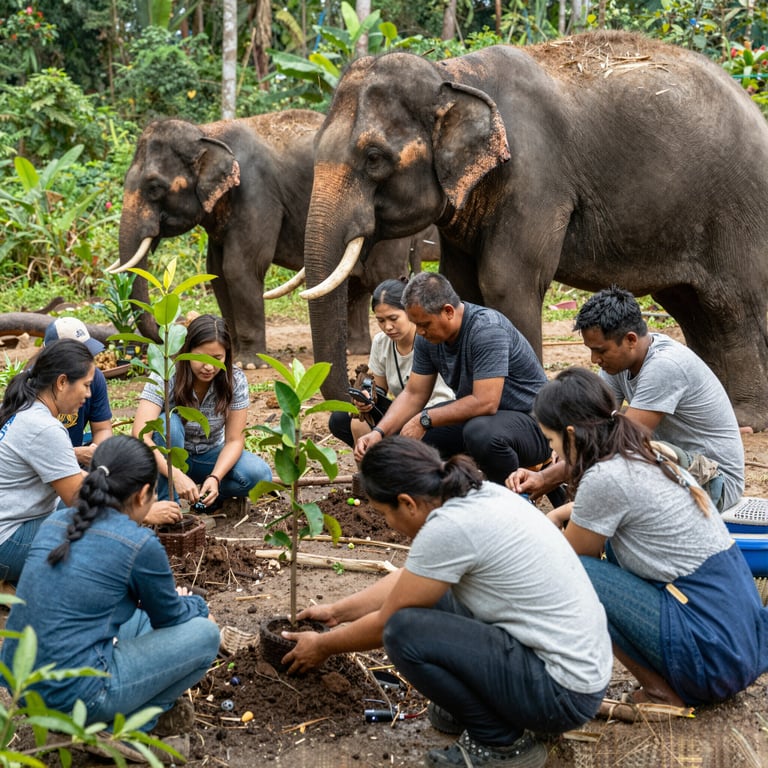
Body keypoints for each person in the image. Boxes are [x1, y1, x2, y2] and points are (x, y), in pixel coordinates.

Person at [282, 437, 612, 768]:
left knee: (403, 632)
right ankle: (481, 707)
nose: (388, 525)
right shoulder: (476, 493)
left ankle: (500, 744)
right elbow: (411, 580)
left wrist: (322, 646)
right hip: (575, 673)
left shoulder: (449, 527)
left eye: (385, 514)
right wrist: (337, 612)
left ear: (407, 503)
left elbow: (386, 623)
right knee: (431, 601)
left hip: (560, 694)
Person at [533, 367, 768, 708]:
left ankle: (661, 691)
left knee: (573, 573)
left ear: (571, 435)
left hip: (713, 659)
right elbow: (609, 506)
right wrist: (557, 513)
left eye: (552, 442)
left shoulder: (605, 478)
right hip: (738, 646)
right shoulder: (645, 451)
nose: (553, 452)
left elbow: (569, 557)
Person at [0, 435, 220, 760]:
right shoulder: (139, 542)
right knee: (205, 633)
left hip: (19, 684)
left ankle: (93, 720)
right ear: (144, 494)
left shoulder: (57, 520)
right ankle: (130, 731)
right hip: (77, 695)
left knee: (142, 618)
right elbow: (170, 618)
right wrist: (198, 607)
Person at [510, 286, 744, 511]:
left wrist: (545, 477)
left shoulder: (665, 366)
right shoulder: (620, 362)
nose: (594, 359)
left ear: (631, 340)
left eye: (600, 351)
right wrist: (564, 449)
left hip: (715, 481)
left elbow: (618, 443)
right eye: (591, 350)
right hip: (672, 465)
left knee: (617, 457)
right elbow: (595, 424)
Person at [354, 272, 551, 486]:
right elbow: (414, 394)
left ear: (448, 311)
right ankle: (453, 496)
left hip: (534, 425)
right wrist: (379, 433)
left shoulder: (486, 329)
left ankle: (514, 498)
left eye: (425, 324)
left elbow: (485, 402)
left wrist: (424, 418)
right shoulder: (427, 338)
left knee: (480, 433)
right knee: (420, 440)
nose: (419, 332)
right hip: (485, 419)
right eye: (415, 324)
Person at [133, 314, 271, 509]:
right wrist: (176, 475)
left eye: (217, 358)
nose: (208, 367)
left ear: (227, 355)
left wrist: (215, 477)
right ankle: (168, 506)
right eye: (201, 358)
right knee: (168, 424)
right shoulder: (165, 375)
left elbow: (234, 440)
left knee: (260, 475)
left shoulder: (235, 380)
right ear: (188, 350)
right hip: (170, 460)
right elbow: (142, 437)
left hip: (209, 455)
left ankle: (205, 499)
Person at [0, 339, 91, 583]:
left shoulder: (25, 409)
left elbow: (70, 475)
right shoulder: (44, 427)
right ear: (62, 382)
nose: (89, 394)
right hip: (6, 542)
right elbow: (80, 499)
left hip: (8, 524)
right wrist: (142, 510)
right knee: (95, 526)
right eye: (86, 385)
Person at [329, 278, 453, 448]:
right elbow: (378, 390)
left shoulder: (430, 339)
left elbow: (441, 398)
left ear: (410, 312)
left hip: (435, 417)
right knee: (341, 418)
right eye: (381, 320)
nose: (387, 327)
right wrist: (366, 399)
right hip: (403, 414)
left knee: (397, 432)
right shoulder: (381, 342)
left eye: (393, 318)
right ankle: (375, 468)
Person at [43, 317, 112, 467]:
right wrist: (74, 454)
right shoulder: (34, 390)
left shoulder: (94, 377)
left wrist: (96, 452)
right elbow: (33, 453)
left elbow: (103, 428)